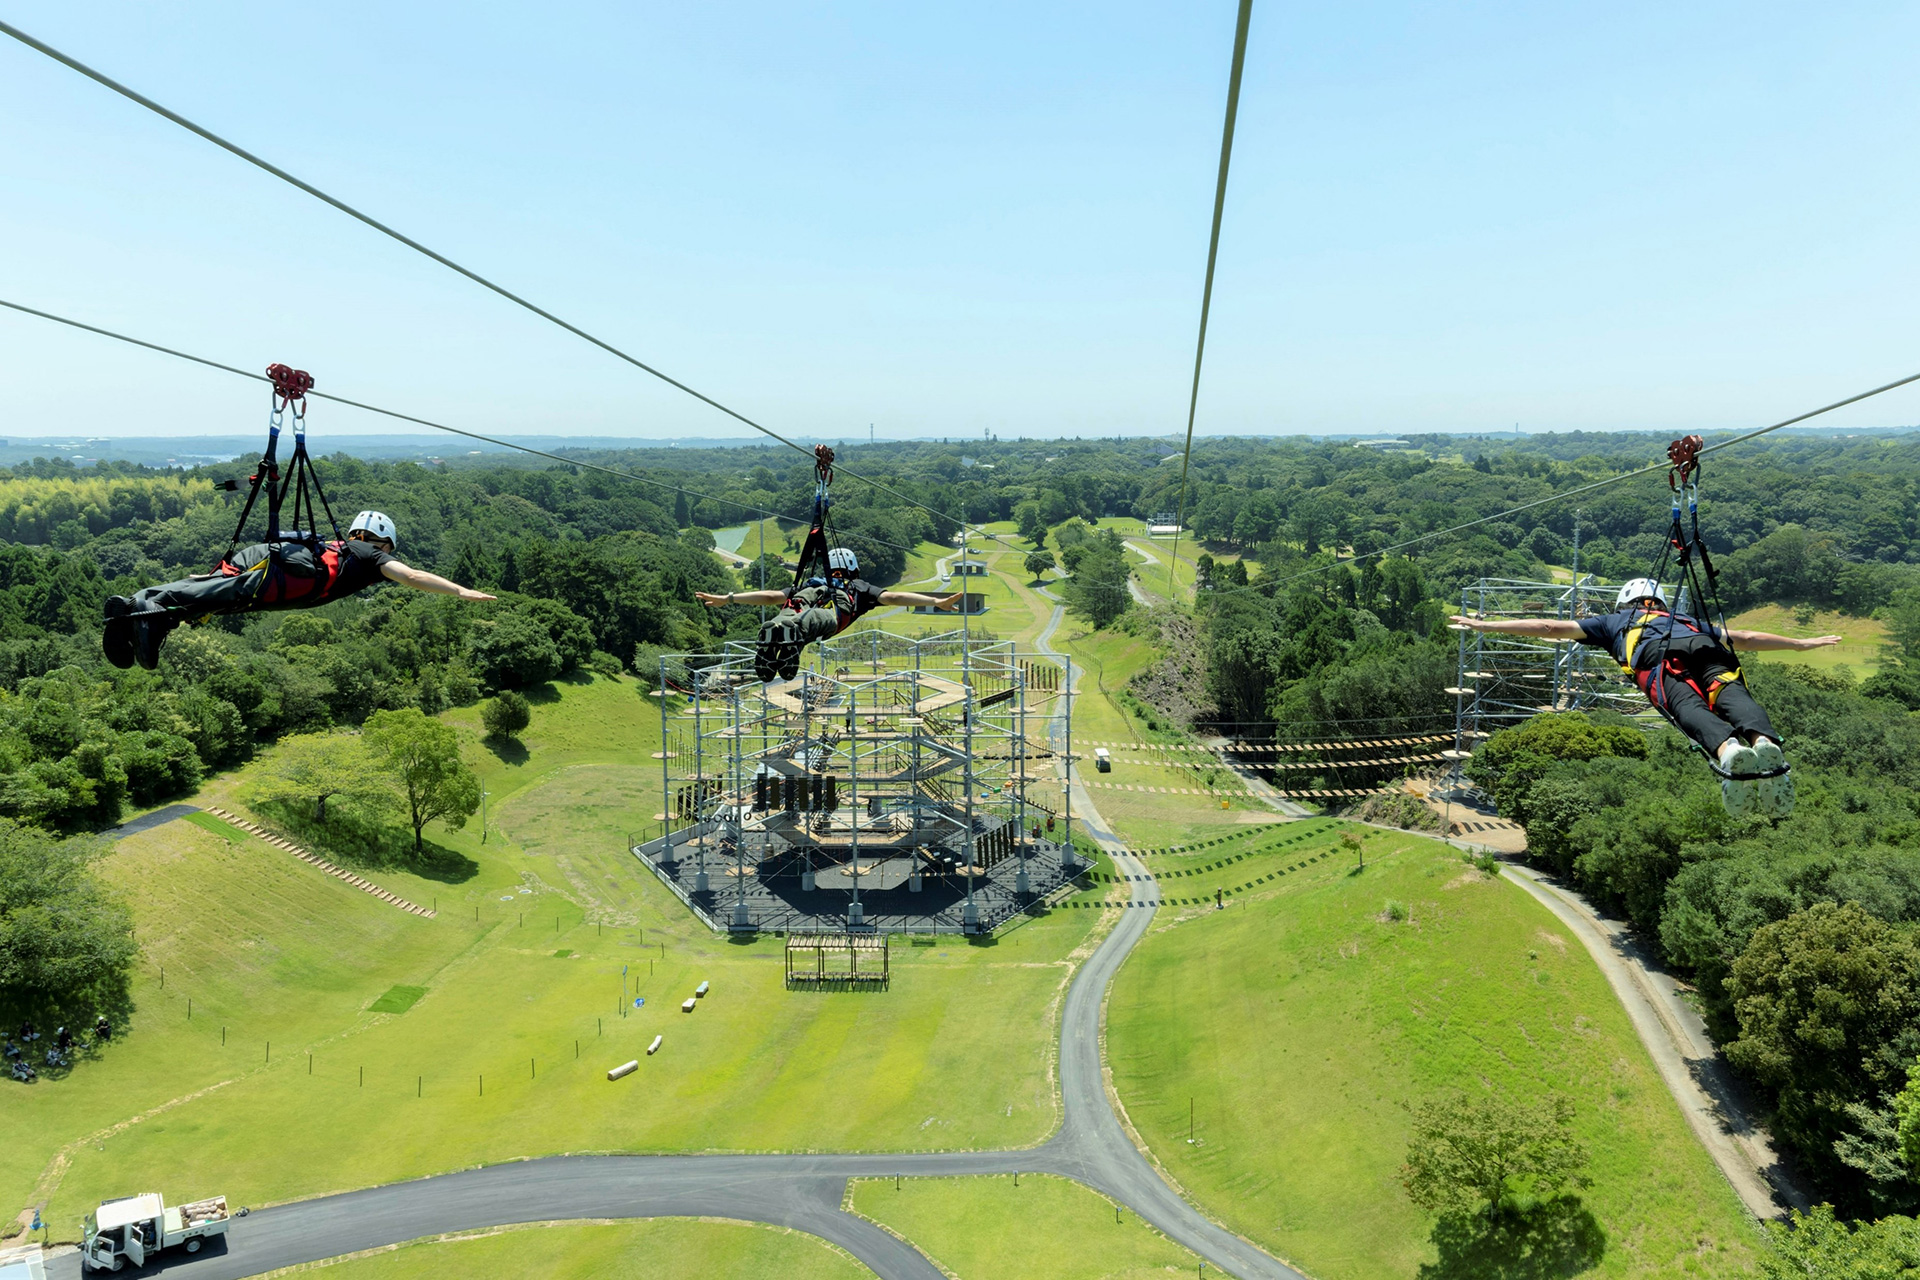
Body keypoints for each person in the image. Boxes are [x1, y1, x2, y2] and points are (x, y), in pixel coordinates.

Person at [1450, 577, 1840, 818]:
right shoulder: (1687, 618)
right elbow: (1748, 639)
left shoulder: (1612, 622)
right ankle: (1763, 740)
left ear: (1626, 604)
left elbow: (1550, 626)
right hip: (1706, 646)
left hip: (1660, 659)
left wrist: (1485, 624)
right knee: (1728, 689)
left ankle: (1727, 751)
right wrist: (1801, 643)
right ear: (1661, 602)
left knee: (1686, 703)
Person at [102, 510, 495, 670]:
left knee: (218, 592)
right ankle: (147, 607)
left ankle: (147, 617)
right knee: (235, 594)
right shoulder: (368, 555)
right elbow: (411, 576)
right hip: (288, 573)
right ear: (384, 542)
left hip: (269, 557)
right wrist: (461, 592)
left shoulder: (341, 546)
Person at [696, 546, 963, 681]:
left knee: (790, 612)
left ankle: (777, 627)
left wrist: (728, 599)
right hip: (830, 617)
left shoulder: (811, 583)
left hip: (799, 604)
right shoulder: (859, 587)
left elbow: (771, 596)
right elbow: (894, 597)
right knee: (811, 621)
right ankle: (792, 636)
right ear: (853, 568)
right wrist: (934, 601)